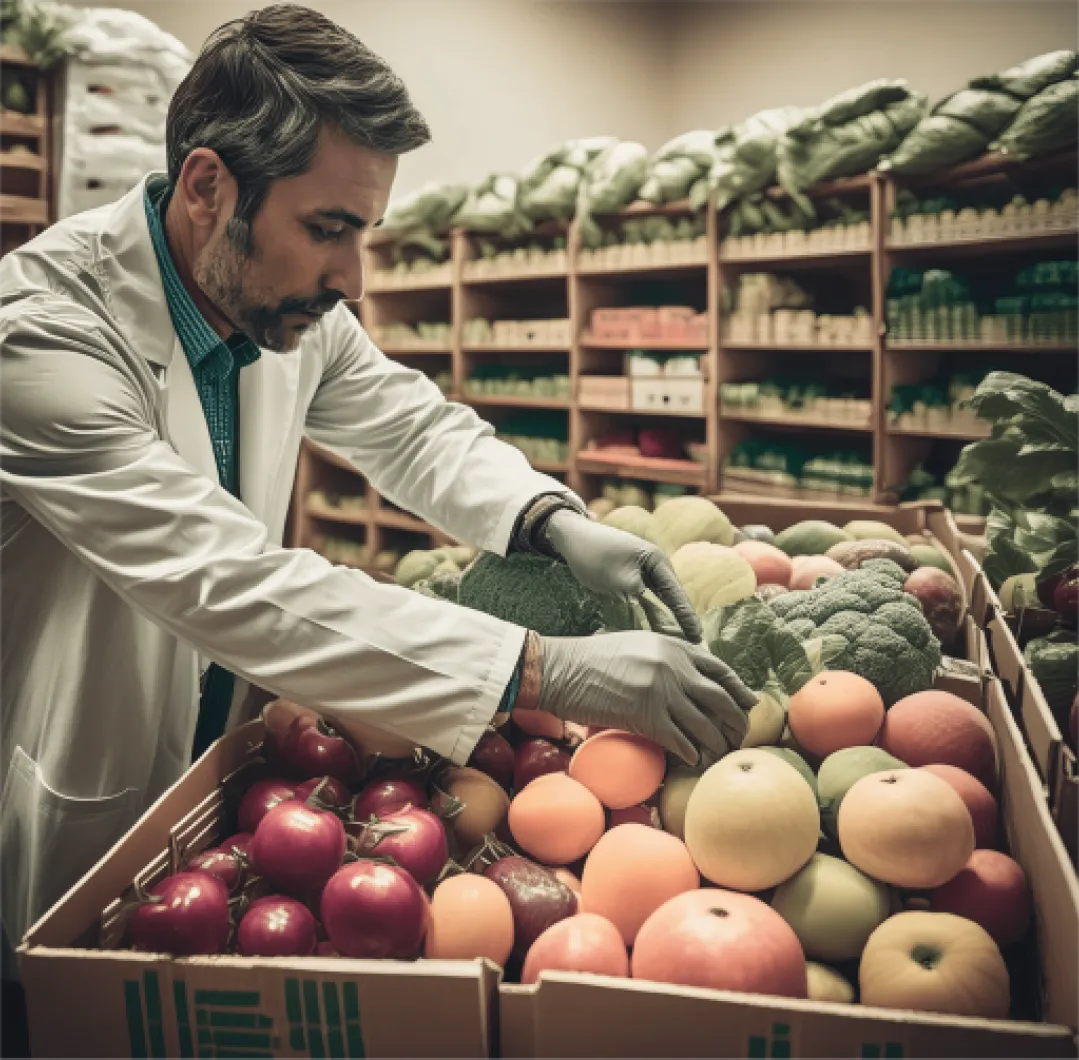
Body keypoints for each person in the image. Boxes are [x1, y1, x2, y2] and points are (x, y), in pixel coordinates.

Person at [0, 3, 754, 991]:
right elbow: (227, 579)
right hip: (79, 776)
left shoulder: (279, 298)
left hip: (223, 793)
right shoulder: (41, 333)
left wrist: (549, 518)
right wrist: (550, 670)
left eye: (364, 232)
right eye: (327, 230)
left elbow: (406, 421)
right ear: (205, 186)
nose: (351, 277)